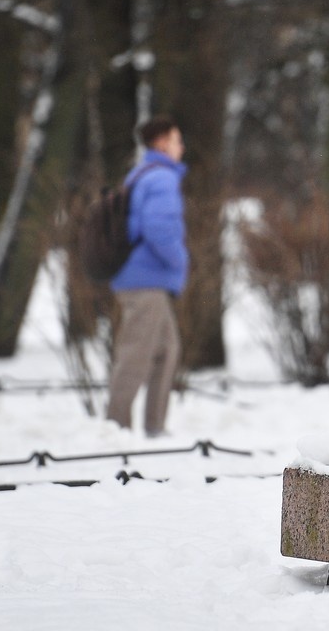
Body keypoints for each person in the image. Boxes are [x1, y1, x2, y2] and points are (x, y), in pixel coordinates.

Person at [106, 115, 188, 437]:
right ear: (162, 143)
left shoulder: (142, 173)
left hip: (144, 278)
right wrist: (180, 260)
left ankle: (155, 426)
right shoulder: (162, 178)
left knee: (167, 350)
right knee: (136, 354)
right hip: (145, 280)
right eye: (177, 140)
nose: (182, 147)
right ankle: (116, 428)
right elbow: (159, 229)